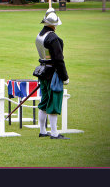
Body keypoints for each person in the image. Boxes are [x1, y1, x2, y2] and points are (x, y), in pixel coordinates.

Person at [35, 8, 70, 140]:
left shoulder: (40, 35)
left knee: (44, 101)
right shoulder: (53, 38)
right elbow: (59, 60)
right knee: (53, 102)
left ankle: (43, 130)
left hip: (42, 71)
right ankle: (54, 133)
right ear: (54, 24)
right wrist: (65, 77)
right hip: (53, 73)